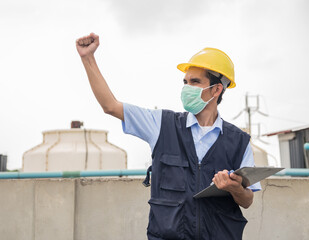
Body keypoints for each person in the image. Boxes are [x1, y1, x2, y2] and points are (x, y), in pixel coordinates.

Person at [76, 32, 261, 240]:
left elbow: (247, 200)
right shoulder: (161, 125)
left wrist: (235, 188)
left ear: (216, 89)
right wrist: (87, 58)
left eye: (194, 81)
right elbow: (110, 106)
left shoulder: (239, 141)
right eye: (185, 81)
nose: (186, 88)